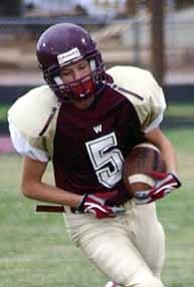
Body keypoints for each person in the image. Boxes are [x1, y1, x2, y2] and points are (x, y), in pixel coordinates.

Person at [8, 23, 181, 287]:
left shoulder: (128, 94)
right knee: (145, 284)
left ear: (95, 61)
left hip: (139, 205)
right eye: (66, 72)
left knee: (149, 276)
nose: (78, 77)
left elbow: (161, 142)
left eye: (81, 66)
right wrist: (85, 200)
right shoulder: (45, 117)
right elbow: (29, 186)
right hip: (91, 221)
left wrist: (169, 174)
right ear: (52, 78)